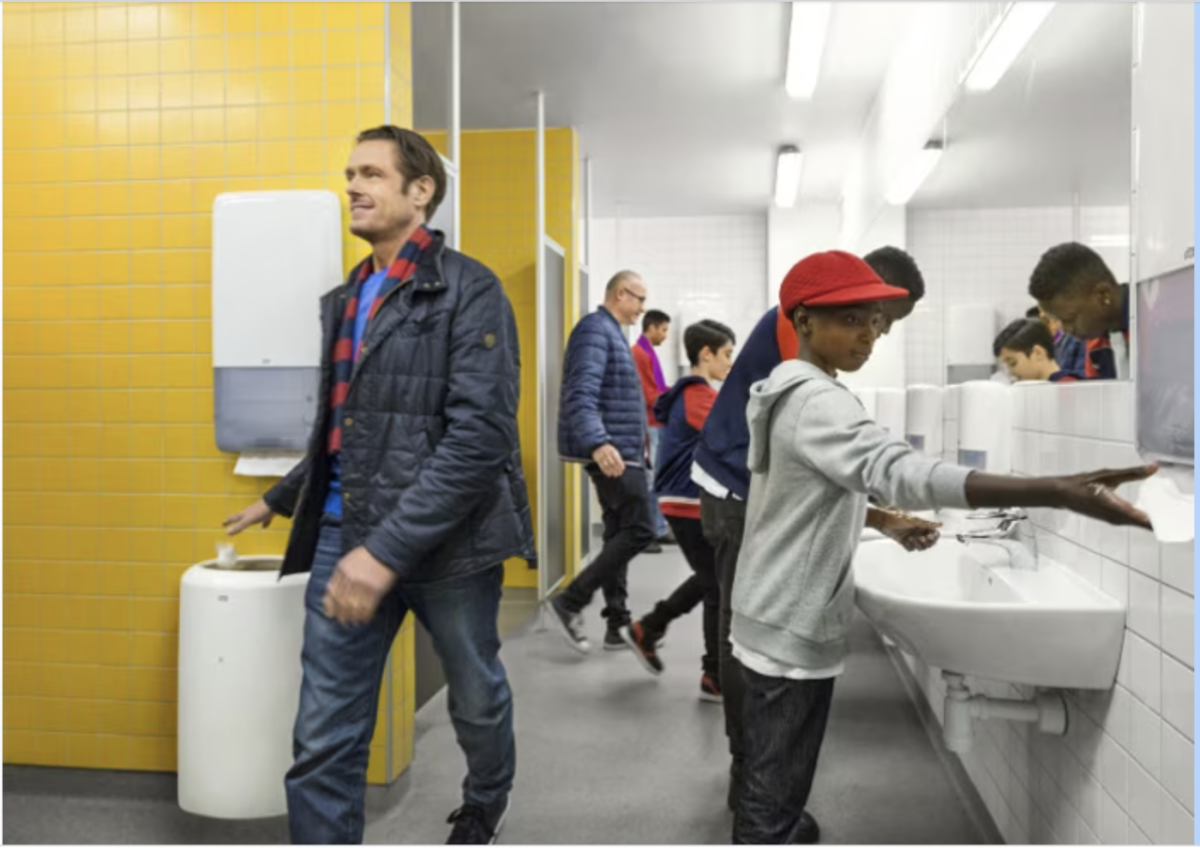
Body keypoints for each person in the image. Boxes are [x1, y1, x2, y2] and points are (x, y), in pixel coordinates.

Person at [731, 250, 1155, 845]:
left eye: (875, 321)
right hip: (790, 620)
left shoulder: (788, 391)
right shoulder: (820, 402)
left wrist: (880, 520)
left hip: (767, 607)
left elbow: (803, 499)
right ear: (803, 322)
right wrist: (1053, 490)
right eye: (851, 320)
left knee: (772, 759)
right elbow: (897, 469)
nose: (869, 335)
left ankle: (777, 822)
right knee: (774, 782)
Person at [223, 126, 529, 845]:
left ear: (420, 192)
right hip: (344, 532)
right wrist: (281, 497)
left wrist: (385, 551)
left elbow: (479, 439)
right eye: (349, 174)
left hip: (449, 545)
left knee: (476, 696)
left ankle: (486, 795)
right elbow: (352, 427)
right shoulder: (345, 299)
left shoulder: (471, 289)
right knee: (324, 734)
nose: (352, 187)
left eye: (371, 175)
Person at [690, 245, 928, 814]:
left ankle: (755, 785)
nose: (877, 336)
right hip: (733, 484)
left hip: (738, 482)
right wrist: (881, 503)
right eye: (877, 321)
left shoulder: (808, 334)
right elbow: (803, 462)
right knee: (751, 646)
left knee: (745, 636)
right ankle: (753, 784)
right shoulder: (797, 343)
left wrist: (875, 514)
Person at [622, 319, 737, 701]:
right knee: (717, 583)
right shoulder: (698, 395)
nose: (730, 363)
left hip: (682, 498)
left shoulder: (692, 394)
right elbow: (733, 436)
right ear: (706, 354)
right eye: (727, 355)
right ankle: (713, 676)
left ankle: (649, 628)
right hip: (687, 500)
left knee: (711, 577)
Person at [551, 271, 657, 652]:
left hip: (622, 450)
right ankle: (570, 601)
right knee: (642, 529)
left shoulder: (611, 333)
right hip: (613, 453)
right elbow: (581, 392)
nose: (643, 308)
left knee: (618, 533)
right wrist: (598, 443)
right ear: (620, 293)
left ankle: (617, 622)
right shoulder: (595, 331)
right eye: (639, 299)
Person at [1029, 242, 1130, 380]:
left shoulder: (1150, 323)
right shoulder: (1096, 337)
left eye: (1070, 318)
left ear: (1103, 295)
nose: (1065, 329)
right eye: (1058, 320)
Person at [633, 309, 674, 552]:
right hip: (649, 424)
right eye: (664, 330)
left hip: (655, 423)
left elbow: (657, 387)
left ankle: (658, 529)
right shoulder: (639, 353)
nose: (665, 335)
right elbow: (649, 394)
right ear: (653, 327)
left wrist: (675, 391)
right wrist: (673, 400)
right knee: (649, 481)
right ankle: (646, 533)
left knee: (657, 479)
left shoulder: (647, 352)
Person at [995, 318, 1081, 383]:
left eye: (1013, 363)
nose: (1011, 373)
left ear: (1038, 353)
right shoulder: (1034, 388)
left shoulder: (1066, 385)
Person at [1026, 304, 1085, 376]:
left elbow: (1081, 379)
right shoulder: (1057, 345)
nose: (1043, 327)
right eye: (1042, 321)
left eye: (1046, 321)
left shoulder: (1076, 341)